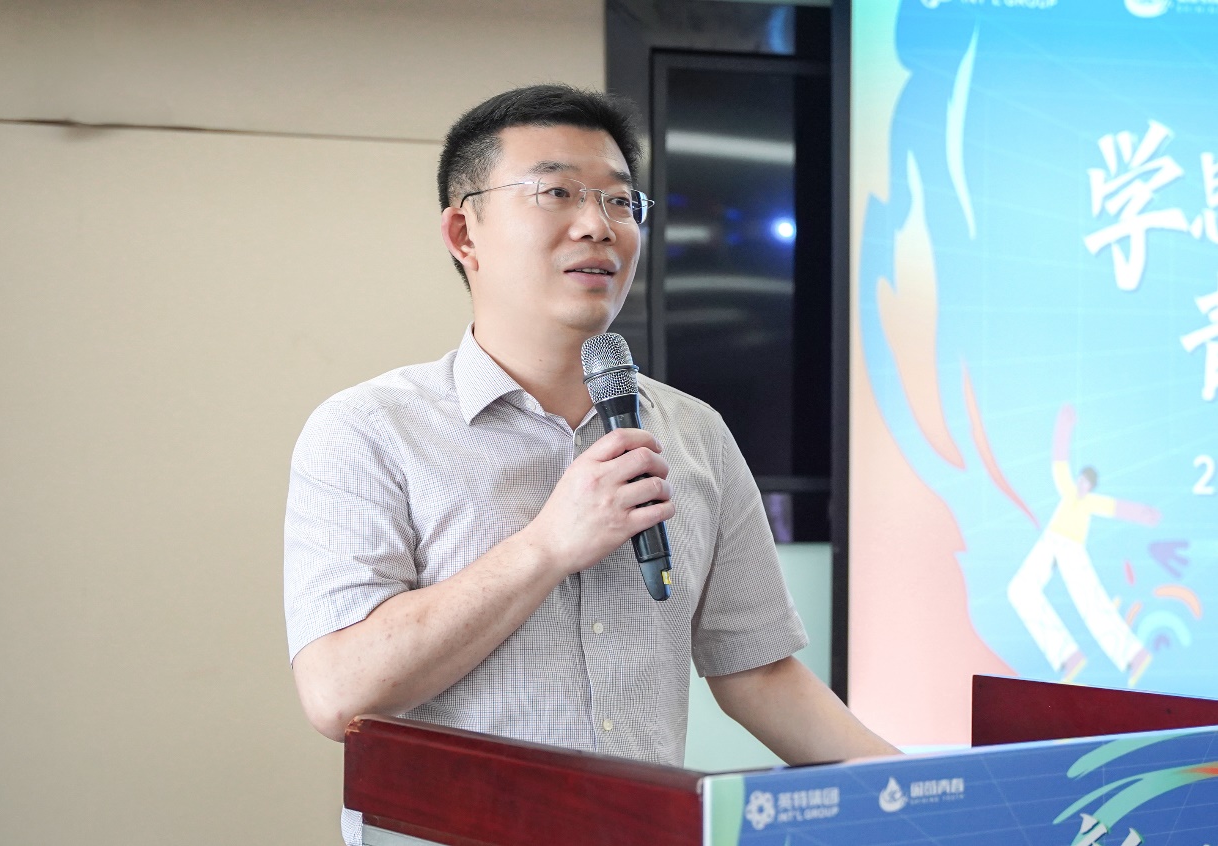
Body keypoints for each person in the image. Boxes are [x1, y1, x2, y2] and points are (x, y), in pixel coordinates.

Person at [284, 83, 896, 845]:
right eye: (557, 193)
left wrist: (934, 798)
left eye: (619, 201)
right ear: (464, 232)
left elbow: (757, 674)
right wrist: (547, 546)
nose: (597, 225)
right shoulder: (370, 429)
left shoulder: (694, 433)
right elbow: (338, 694)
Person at [1008, 404, 1160, 687]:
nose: (1082, 486)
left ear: (1090, 487)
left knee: (1090, 601)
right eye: (1081, 480)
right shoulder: (1067, 489)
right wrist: (1064, 427)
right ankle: (1067, 655)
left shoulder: (1091, 502)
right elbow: (1059, 464)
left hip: (1071, 548)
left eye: (1087, 484)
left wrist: (1143, 514)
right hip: (1051, 541)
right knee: (1019, 589)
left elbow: (1115, 508)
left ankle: (1133, 654)